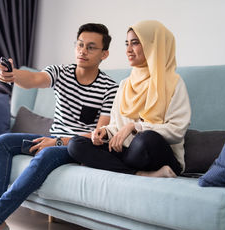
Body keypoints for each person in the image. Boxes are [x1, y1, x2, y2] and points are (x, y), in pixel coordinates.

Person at [0, 23, 119, 230]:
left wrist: (58, 141)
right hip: (53, 139)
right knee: (3, 142)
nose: (83, 51)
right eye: (80, 45)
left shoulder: (110, 88)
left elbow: (97, 136)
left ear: (104, 54)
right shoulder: (61, 72)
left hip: (75, 147)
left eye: (91, 47)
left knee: (49, 151)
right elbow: (33, 79)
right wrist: (12, 75)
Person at [67, 20, 191, 178]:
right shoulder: (125, 84)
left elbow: (177, 131)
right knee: (76, 145)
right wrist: (104, 132)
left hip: (155, 153)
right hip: (127, 153)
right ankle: (141, 174)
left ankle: (111, 166)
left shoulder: (174, 83)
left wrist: (135, 127)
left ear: (153, 45)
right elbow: (116, 127)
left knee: (145, 139)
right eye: (127, 44)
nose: (128, 50)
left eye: (135, 43)